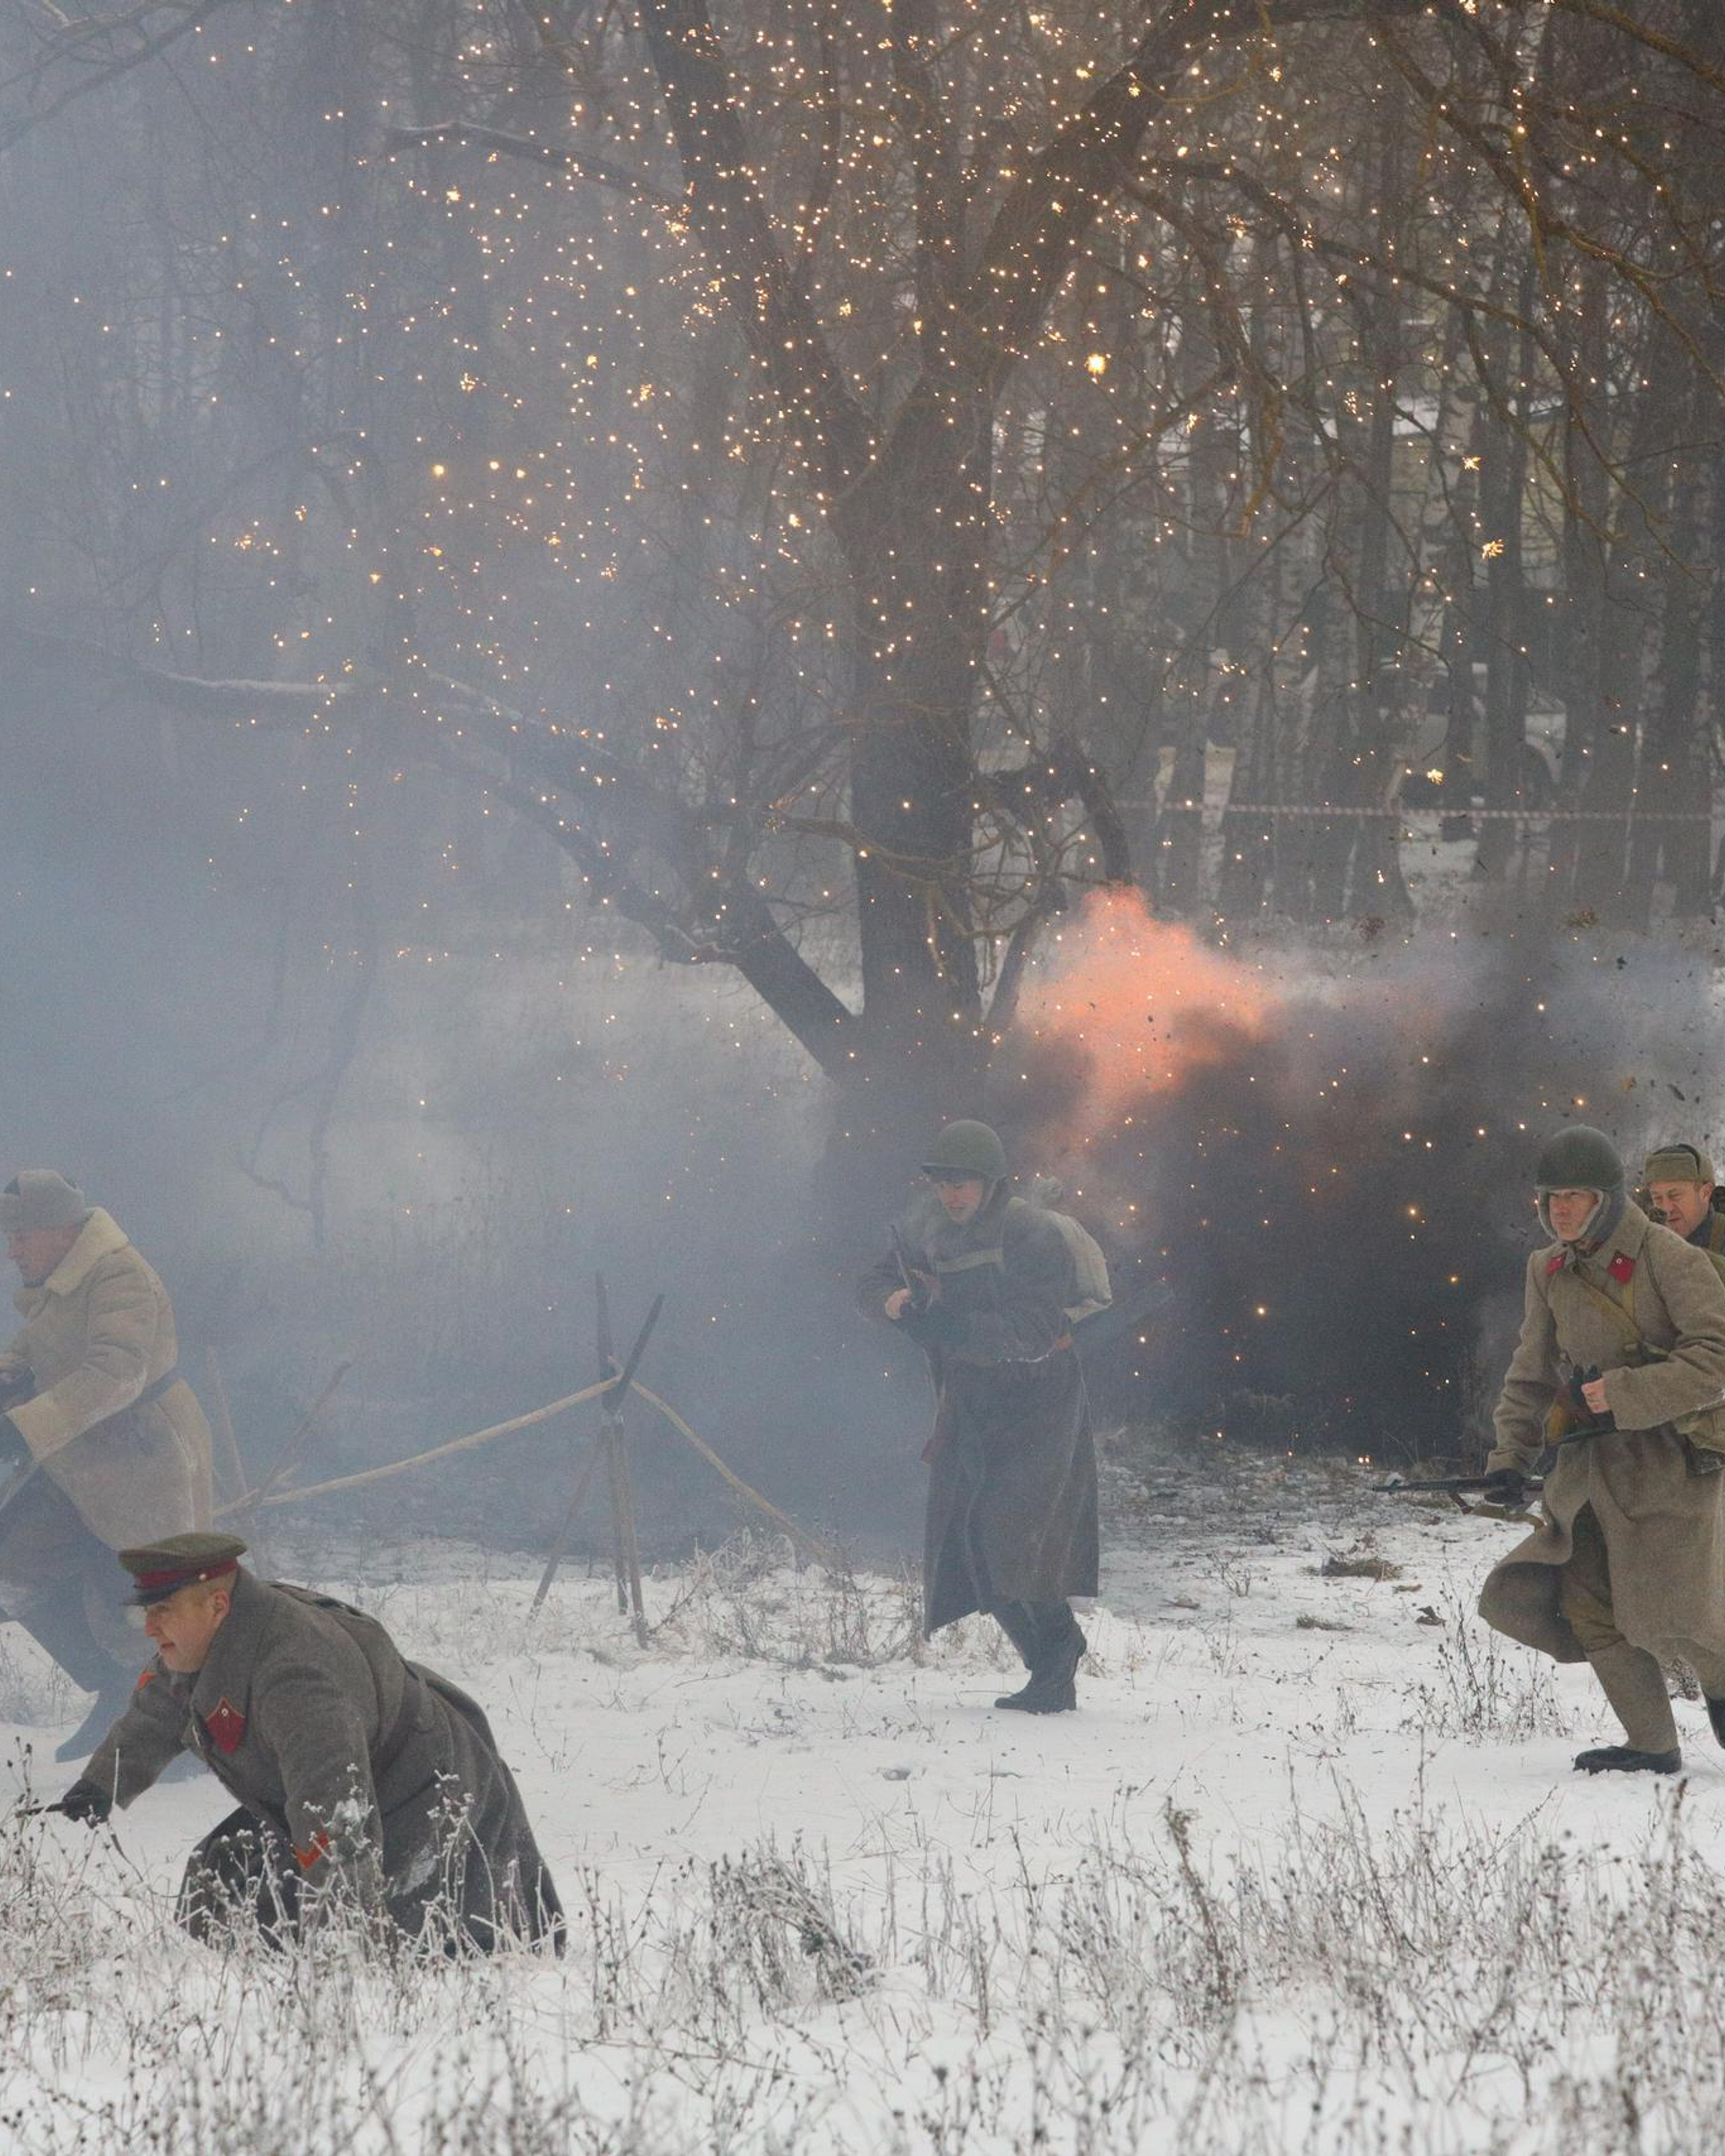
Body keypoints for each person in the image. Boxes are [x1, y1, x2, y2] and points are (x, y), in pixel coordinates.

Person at [46, 1533, 563, 1953]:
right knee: (221, 1887)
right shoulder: (203, 1639)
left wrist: (343, 1948)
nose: (149, 1627)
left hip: (425, 1789)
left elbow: (334, 1814)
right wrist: (101, 1785)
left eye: (162, 1609)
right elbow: (159, 1710)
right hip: (352, 1782)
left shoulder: (295, 1677)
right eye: (148, 1611)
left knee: (440, 1939)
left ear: (217, 1604)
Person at [1478, 1126, 1725, 1774]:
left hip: (1670, 1462)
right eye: (1551, 1197)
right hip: (1587, 1471)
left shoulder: (1669, 1258)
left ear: (1607, 1200)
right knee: (1589, 1605)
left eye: (1575, 1197)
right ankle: (1651, 1744)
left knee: (1680, 1615)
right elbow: (1531, 1373)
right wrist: (1509, 1458)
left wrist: (1622, 1393)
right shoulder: (1548, 1269)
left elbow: (1715, 1360)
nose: (1559, 1210)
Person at [858, 1120, 1098, 1713]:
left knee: (1011, 1535)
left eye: (962, 1183)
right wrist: (897, 1302)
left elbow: (1034, 1330)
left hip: (1038, 1399)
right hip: (971, 1399)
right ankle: (1049, 1665)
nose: (951, 1195)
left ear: (991, 1182)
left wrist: (952, 1326)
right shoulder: (927, 1226)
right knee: (969, 1541)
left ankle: (1057, 1655)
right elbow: (874, 1280)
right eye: (943, 1184)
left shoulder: (1031, 1233)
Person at [0, 1171, 212, 1761]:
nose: (12, 1250)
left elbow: (117, 1373)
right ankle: (116, 1691)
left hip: (143, 1462)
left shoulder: (119, 1275)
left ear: (60, 1229)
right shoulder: (59, 1279)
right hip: (77, 1463)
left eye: (21, 1236)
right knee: (14, 1567)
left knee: (142, 1600)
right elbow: (33, 1349)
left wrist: (22, 1427)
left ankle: (176, 1733)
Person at [1643, 1143, 1725, 1271]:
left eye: (1675, 1196)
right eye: (1657, 1198)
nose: (1666, 1209)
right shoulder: (1646, 1244)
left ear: (1706, 1193)